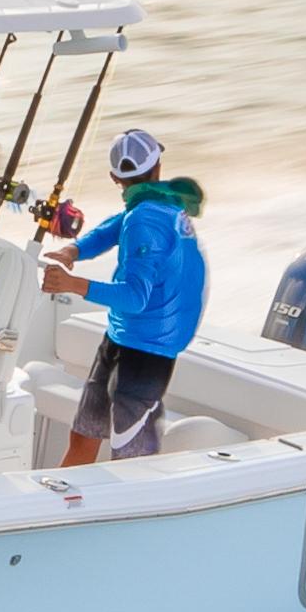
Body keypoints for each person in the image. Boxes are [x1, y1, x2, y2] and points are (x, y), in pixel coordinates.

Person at [47, 126, 205, 463]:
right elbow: (114, 227)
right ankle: (64, 504)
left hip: (149, 348)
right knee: (84, 432)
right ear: (158, 166)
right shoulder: (153, 206)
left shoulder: (147, 218)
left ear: (114, 177)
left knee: (132, 455)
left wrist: (73, 284)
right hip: (122, 335)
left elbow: (136, 298)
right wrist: (73, 251)